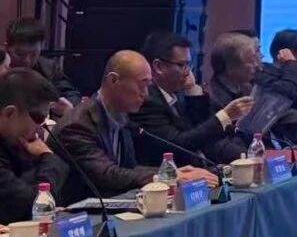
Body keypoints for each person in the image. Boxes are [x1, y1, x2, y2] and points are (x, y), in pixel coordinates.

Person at [53, 51, 217, 201]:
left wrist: (174, 173)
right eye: (142, 85)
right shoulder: (76, 126)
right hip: (78, 215)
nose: (146, 94)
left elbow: (129, 168)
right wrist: (169, 177)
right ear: (114, 80)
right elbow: (108, 175)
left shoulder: (122, 116)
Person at [130, 31, 253, 166]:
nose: (188, 72)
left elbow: (203, 133)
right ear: (158, 67)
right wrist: (225, 116)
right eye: (182, 65)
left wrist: (193, 90)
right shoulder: (147, 101)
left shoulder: (178, 95)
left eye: (188, 65)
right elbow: (178, 145)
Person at [0, 68, 70, 222]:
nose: (42, 126)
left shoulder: (21, 144)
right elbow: (35, 204)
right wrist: (48, 157)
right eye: (38, 118)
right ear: (9, 113)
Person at [4, 19, 80, 117]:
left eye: (33, 54)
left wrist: (67, 105)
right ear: (7, 47)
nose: (27, 60)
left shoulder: (49, 67)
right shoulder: (2, 67)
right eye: (20, 54)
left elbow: (71, 94)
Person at [206, 31, 261, 110]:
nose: (257, 66)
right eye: (251, 61)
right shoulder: (212, 101)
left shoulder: (244, 88)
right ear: (231, 67)